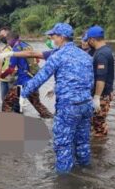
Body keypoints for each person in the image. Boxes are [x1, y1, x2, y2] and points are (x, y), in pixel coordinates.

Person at [20, 23, 94, 173]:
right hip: (86, 104)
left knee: (63, 144)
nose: (51, 39)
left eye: (53, 36)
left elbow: (40, 77)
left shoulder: (57, 55)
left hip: (68, 106)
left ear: (61, 37)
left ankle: (63, 184)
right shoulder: (85, 55)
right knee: (82, 142)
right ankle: (86, 171)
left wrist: (23, 93)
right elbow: (90, 80)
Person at [0, 31, 53, 118]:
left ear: (10, 40)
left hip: (22, 83)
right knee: (37, 104)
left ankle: (5, 122)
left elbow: (11, 69)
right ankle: (51, 119)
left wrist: (1, 76)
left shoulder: (15, 50)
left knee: (7, 102)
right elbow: (37, 61)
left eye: (8, 41)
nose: (8, 43)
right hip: (33, 79)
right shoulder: (27, 46)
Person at [84, 25, 114, 137]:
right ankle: (101, 149)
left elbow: (101, 78)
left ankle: (99, 151)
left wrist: (97, 97)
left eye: (88, 40)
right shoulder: (103, 50)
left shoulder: (101, 54)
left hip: (102, 95)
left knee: (98, 126)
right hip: (104, 93)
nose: (87, 42)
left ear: (92, 39)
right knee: (98, 123)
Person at [0, 27, 14, 101]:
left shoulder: (14, 46)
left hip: (13, 78)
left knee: (14, 100)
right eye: (0, 35)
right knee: (4, 100)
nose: (2, 37)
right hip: (3, 79)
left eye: (3, 35)